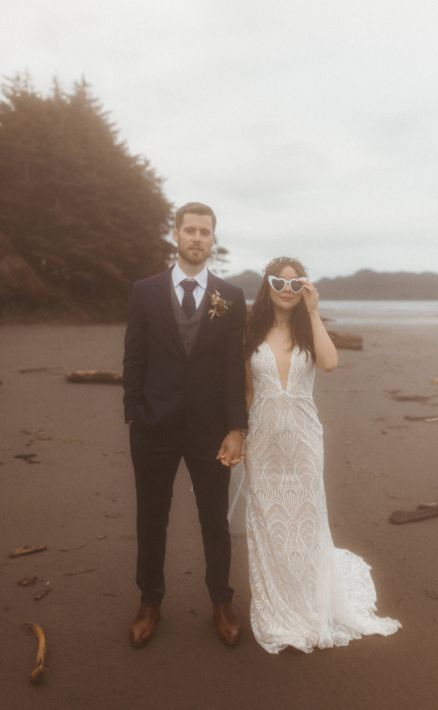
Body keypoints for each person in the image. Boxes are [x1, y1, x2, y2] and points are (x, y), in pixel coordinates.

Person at [244, 256, 401, 654]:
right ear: (267, 285)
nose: (286, 289)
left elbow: (330, 363)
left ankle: (309, 606)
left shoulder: (307, 330)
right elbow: (246, 391)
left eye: (295, 285)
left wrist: (314, 312)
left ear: (304, 291)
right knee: (268, 523)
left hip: (304, 441)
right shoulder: (250, 332)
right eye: (279, 282)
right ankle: (277, 607)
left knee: (305, 521)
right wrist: (239, 435)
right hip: (262, 443)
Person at [123, 202, 248, 648]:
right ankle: (149, 601)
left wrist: (237, 428)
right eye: (189, 230)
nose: (197, 238)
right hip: (153, 426)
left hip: (210, 429)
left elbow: (235, 367)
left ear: (213, 239)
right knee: (151, 517)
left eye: (205, 232)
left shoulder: (230, 297)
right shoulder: (144, 291)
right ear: (175, 234)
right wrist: (133, 413)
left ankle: (221, 601)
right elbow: (134, 356)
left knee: (214, 519)